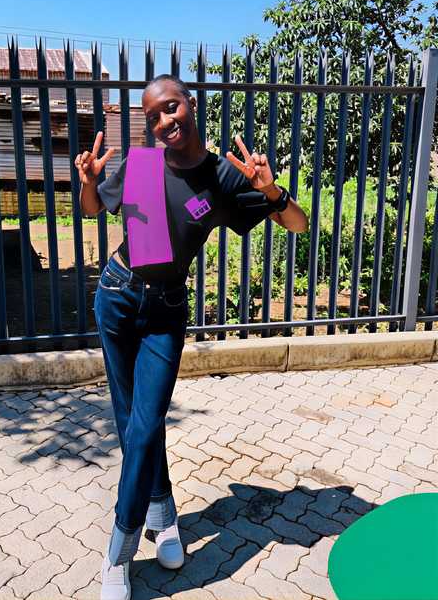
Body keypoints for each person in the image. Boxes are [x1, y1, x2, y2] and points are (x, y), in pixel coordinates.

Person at [75, 74, 309, 600]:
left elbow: (297, 223)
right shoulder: (140, 166)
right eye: (153, 115)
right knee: (132, 421)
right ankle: (165, 516)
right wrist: (89, 180)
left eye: (172, 108)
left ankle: (120, 549)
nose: (164, 122)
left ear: (191, 104)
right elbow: (93, 210)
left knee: (145, 421)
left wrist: (270, 190)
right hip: (116, 295)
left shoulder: (222, 176)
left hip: (165, 311)